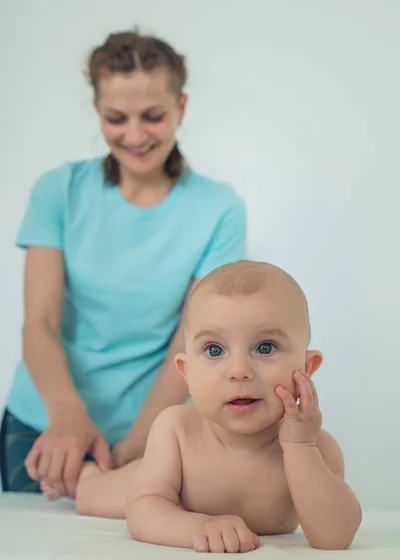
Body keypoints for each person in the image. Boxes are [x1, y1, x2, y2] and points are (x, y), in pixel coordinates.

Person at [0, 30, 247, 497]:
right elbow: (40, 320)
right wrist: (67, 414)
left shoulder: (219, 209)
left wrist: (146, 436)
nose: (134, 136)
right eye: (116, 118)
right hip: (47, 422)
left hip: (157, 427)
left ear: (182, 108)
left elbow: (192, 335)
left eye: (153, 116)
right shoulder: (58, 191)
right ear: (97, 112)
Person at [40, 261, 362, 553]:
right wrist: (195, 526)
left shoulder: (318, 449)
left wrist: (300, 446)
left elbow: (334, 537)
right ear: (186, 374)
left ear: (306, 368)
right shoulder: (177, 429)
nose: (238, 370)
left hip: (300, 446)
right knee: (93, 498)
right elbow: (142, 511)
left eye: (265, 347)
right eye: (214, 349)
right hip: (153, 481)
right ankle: (85, 476)